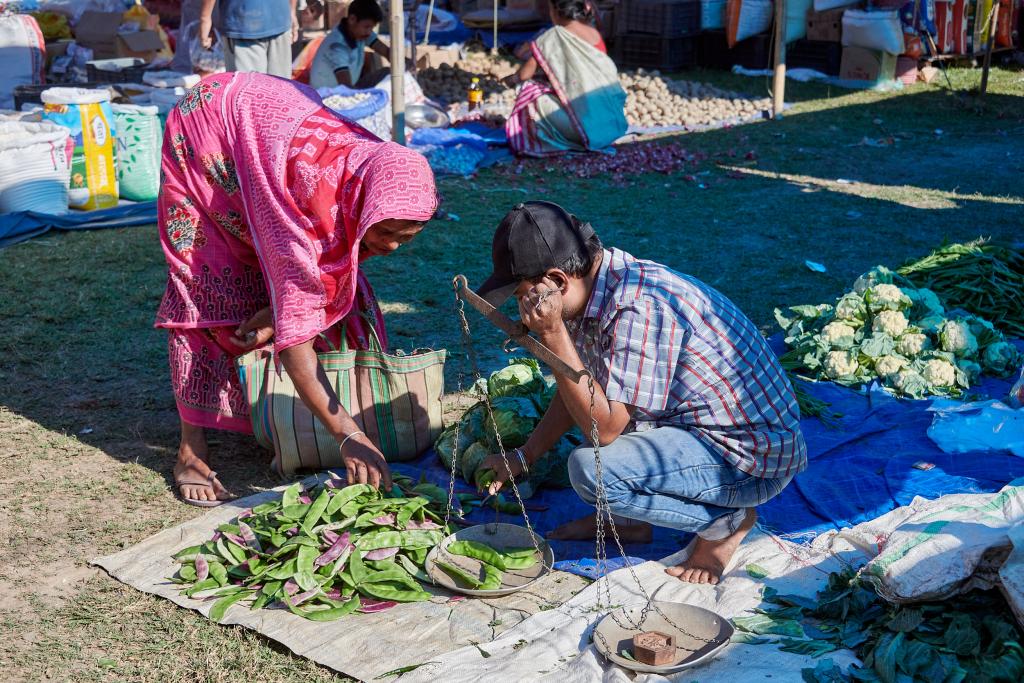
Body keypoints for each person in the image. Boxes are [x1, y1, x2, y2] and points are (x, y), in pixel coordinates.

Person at [477, 202, 807, 584]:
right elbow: (580, 386)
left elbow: (605, 428)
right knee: (603, 409)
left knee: (592, 470)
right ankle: (630, 521)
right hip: (703, 430)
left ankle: (726, 523)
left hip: (749, 459)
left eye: (523, 294)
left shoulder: (638, 307)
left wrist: (551, 335)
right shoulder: (598, 285)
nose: (522, 308)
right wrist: (525, 454)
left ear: (558, 280)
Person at [156, 71, 438, 506]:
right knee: (207, 282)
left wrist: (277, 313)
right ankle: (190, 450)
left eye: (408, 237)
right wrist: (350, 435)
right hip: (209, 132)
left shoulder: (365, 169)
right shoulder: (302, 209)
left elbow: (314, 278)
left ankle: (293, 418)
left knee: (330, 284)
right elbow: (297, 336)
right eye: (389, 233)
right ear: (363, 206)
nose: (394, 247)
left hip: (266, 131)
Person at [504, 0, 627, 156]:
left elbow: (523, 75)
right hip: (609, 123)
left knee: (529, 88)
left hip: (585, 128)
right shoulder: (593, 32)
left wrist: (510, 80)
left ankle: (546, 139)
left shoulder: (552, 37)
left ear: (556, 11)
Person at [198, 0, 299, 78]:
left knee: (247, 93)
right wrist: (292, 11)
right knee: (280, 91)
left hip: (242, 24)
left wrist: (205, 18)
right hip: (279, 18)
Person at [309, 0, 394, 89]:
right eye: (367, 27)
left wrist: (405, 63)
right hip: (328, 96)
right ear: (352, 19)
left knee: (390, 73)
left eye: (372, 27)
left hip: (345, 88)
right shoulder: (337, 46)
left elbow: (385, 51)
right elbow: (346, 87)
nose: (369, 32)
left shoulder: (358, 32)